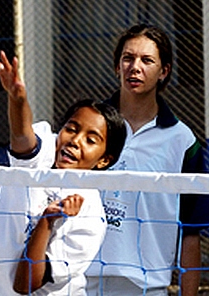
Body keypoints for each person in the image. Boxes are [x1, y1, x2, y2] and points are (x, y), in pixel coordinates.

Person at [0, 51, 127, 295]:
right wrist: (17, 97)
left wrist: (47, 221)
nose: (75, 141)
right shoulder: (44, 152)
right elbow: (22, 138)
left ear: (104, 160)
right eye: (71, 128)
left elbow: (25, 284)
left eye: (91, 139)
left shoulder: (90, 217)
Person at [84, 24, 209, 295]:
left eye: (147, 60)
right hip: (81, 281)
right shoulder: (88, 126)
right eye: (128, 58)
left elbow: (191, 233)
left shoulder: (183, 142)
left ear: (163, 72)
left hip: (146, 287)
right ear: (117, 67)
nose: (135, 67)